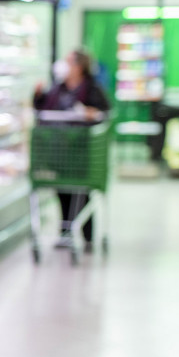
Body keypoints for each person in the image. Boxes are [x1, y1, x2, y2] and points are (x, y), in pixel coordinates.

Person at [33, 48, 110, 243]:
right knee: (61, 190)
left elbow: (104, 112)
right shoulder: (58, 88)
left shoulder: (92, 88)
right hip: (58, 149)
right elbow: (43, 108)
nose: (64, 65)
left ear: (79, 67)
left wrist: (89, 113)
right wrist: (38, 95)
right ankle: (66, 229)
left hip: (81, 149)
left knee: (80, 192)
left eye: (69, 61)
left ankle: (86, 234)